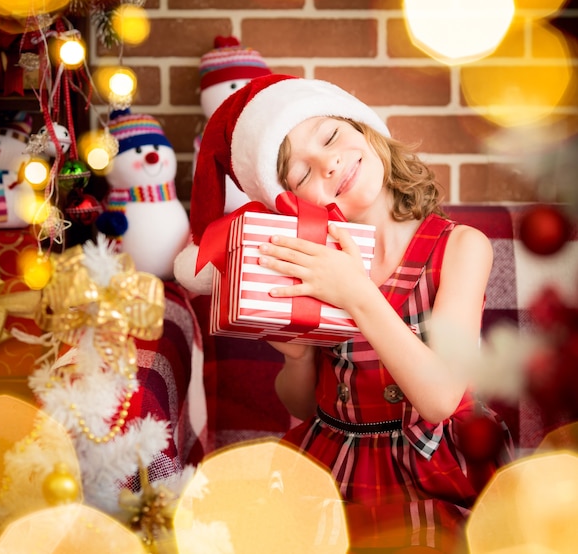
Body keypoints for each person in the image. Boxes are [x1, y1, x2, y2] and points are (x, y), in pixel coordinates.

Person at [174, 73, 515, 553]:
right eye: (301, 173)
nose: (328, 162)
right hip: (335, 458)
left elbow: (439, 399)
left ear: (363, 129)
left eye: (330, 135)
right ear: (292, 201)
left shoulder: (460, 247)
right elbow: (302, 405)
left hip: (436, 463)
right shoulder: (311, 261)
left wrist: (355, 292)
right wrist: (295, 358)